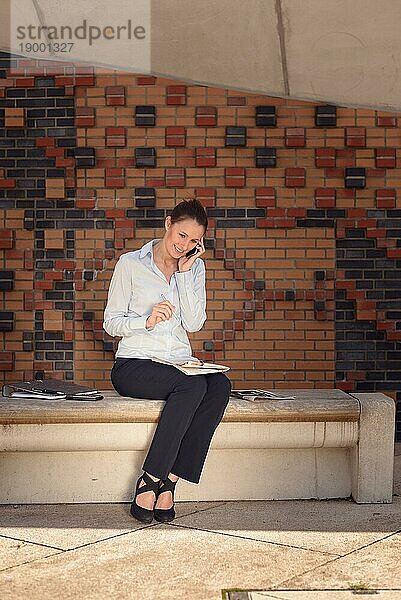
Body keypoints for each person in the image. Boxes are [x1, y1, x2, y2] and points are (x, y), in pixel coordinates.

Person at [103, 198, 231, 524]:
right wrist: (144, 321)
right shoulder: (131, 264)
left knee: (219, 385)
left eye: (193, 241)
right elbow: (111, 322)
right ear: (168, 224)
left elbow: (193, 323)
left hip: (177, 363)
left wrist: (186, 274)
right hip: (135, 364)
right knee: (190, 387)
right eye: (181, 235)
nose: (184, 245)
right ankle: (149, 478)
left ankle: (171, 480)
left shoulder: (193, 267)